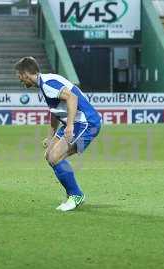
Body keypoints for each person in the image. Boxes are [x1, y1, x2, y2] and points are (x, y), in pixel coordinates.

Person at [15, 56, 101, 212]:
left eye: (20, 76)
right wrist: (51, 136)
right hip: (74, 121)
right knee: (49, 155)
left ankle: (76, 195)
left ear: (26, 73)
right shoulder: (44, 84)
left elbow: (72, 98)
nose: (20, 80)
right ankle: (72, 195)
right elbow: (55, 111)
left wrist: (69, 126)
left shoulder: (48, 83)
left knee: (56, 156)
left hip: (86, 122)